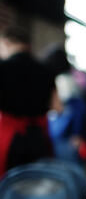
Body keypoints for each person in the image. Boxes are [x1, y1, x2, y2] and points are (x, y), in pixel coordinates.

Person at [0, 26, 55, 178]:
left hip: (10, 139)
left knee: (9, 186)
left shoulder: (3, 67)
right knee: (38, 183)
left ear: (6, 43)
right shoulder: (46, 70)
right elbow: (57, 107)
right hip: (39, 137)